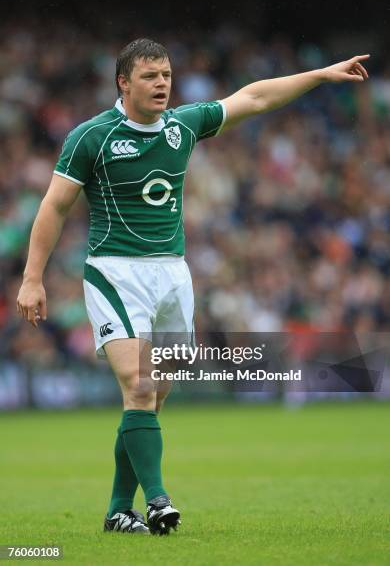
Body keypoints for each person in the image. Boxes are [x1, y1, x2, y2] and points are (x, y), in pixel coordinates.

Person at [16, 38, 369, 535]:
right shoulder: (91, 137)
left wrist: (320, 75)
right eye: (150, 76)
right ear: (124, 82)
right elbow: (53, 206)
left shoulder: (183, 125)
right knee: (138, 385)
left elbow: (254, 98)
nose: (162, 83)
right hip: (115, 272)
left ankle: (119, 509)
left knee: (153, 397)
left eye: (166, 75)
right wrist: (33, 278)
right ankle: (158, 501)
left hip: (173, 275)